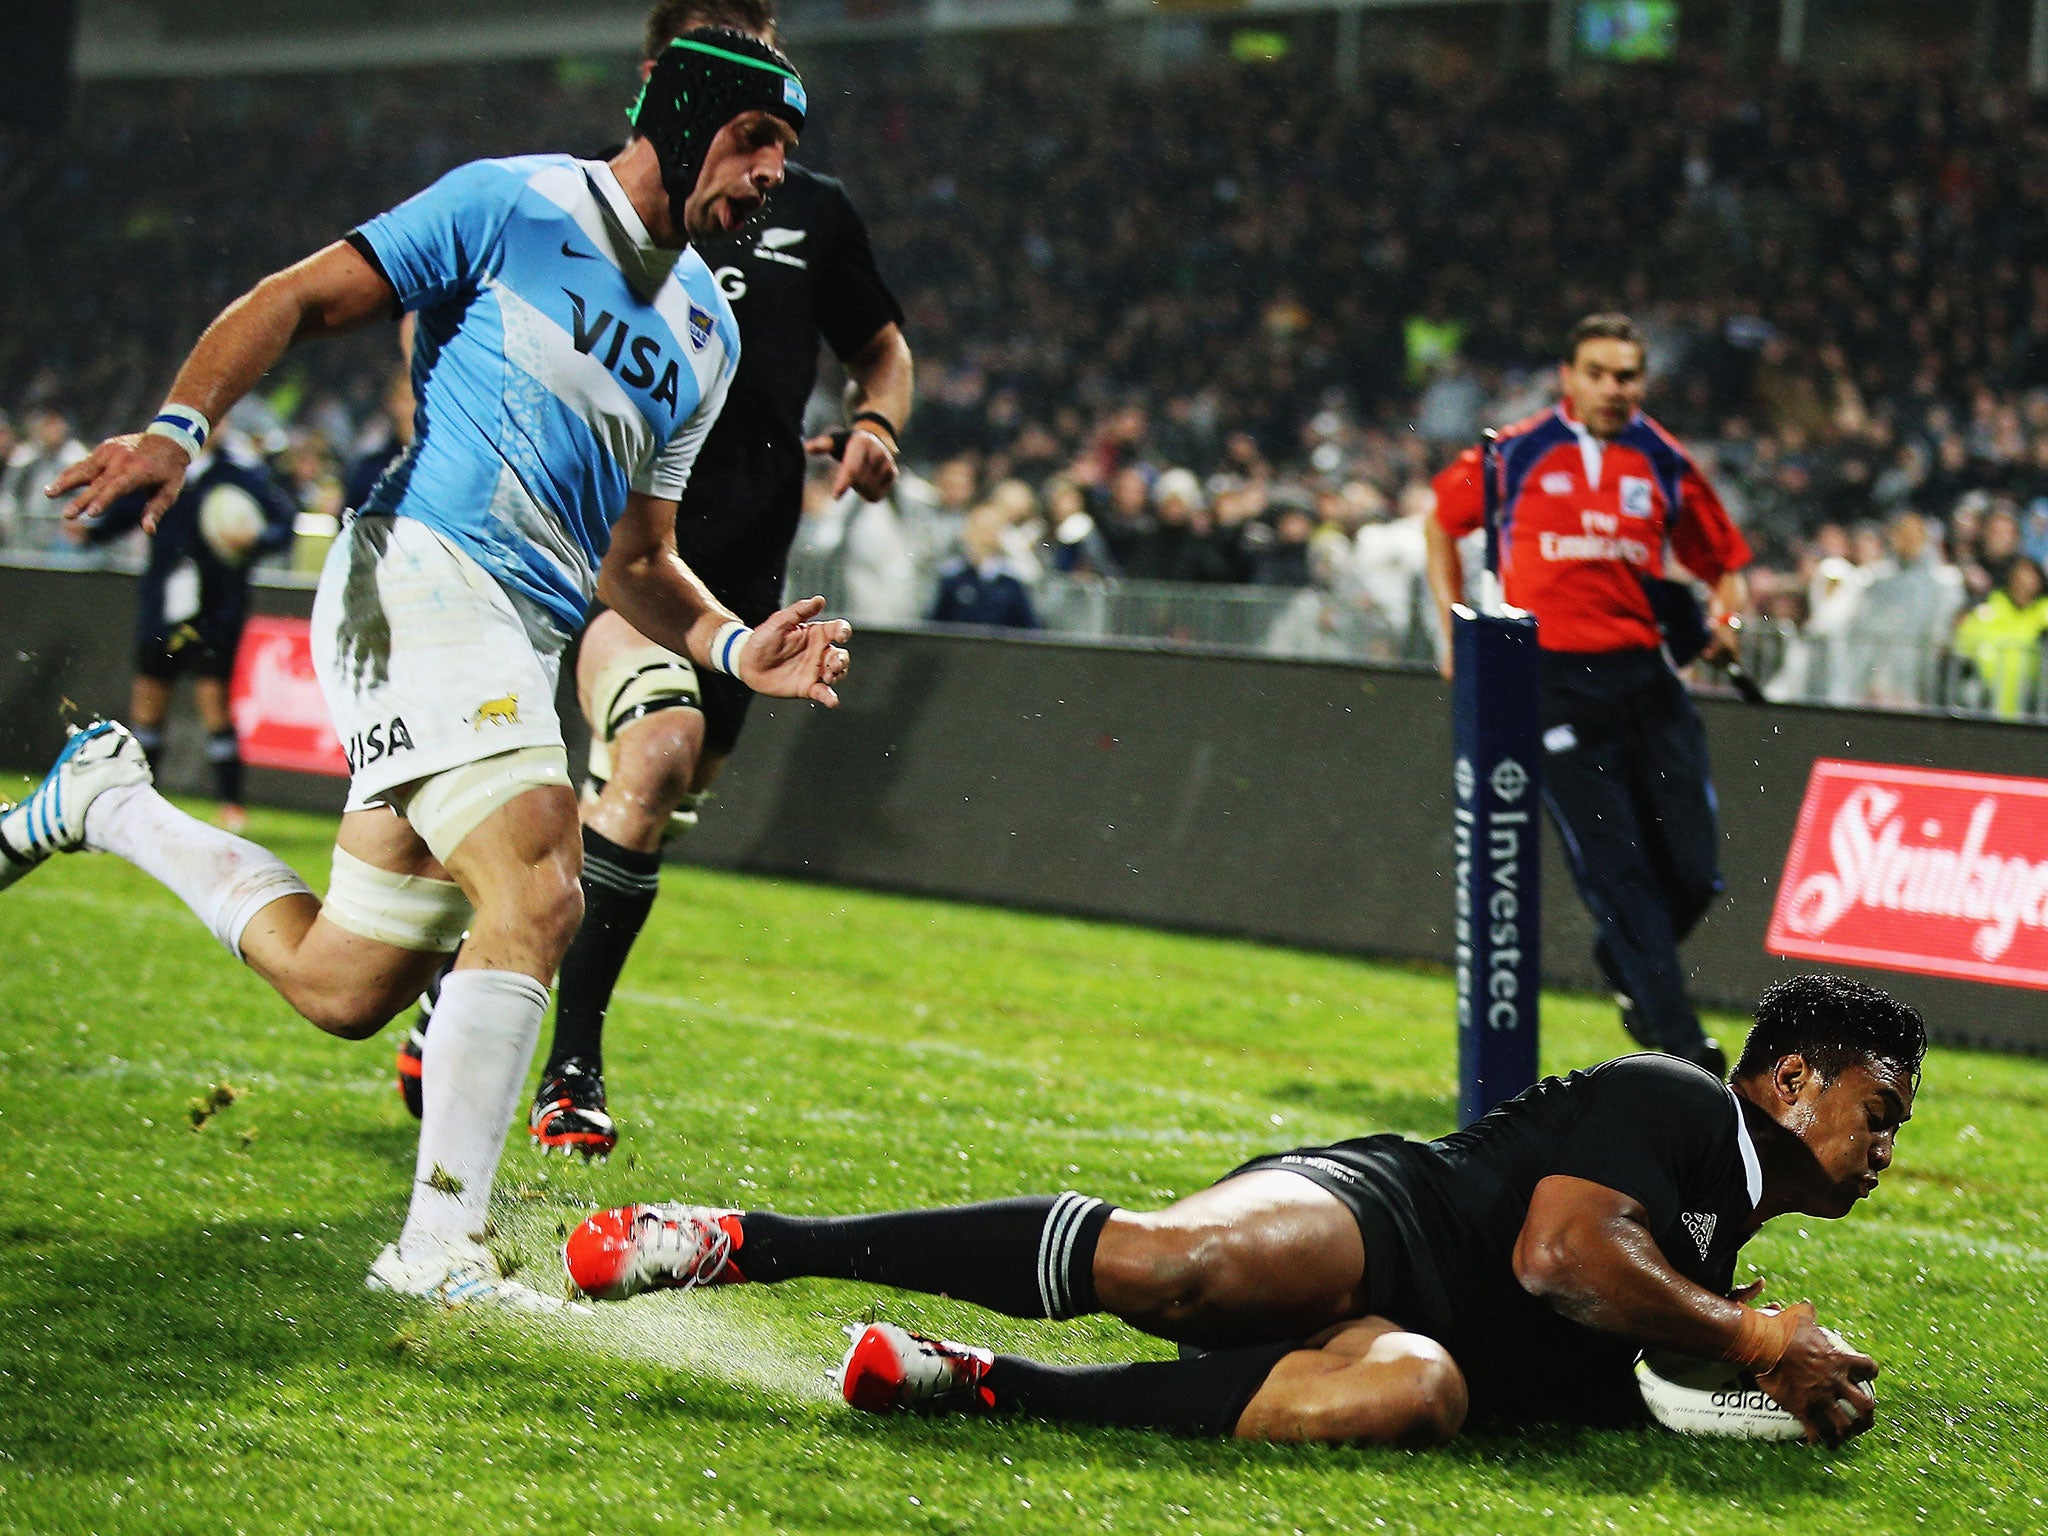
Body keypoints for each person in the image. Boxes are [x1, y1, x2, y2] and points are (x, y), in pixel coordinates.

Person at [3, 30, 848, 1310]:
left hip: (519, 629)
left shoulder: (707, 337)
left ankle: (104, 801)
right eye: (753, 140)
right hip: (415, 574)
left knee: (346, 982)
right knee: (541, 874)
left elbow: (638, 559)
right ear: (677, 126)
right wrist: (181, 432)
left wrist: (735, 644)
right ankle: (438, 1246)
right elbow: (292, 297)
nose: (774, 172)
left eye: (789, 150)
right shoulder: (510, 201)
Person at [563, 974, 1921, 1448]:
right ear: (1790, 1079)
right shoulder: (1681, 1101)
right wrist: (1752, 1346)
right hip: (1394, 1215)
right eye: (1878, 1112)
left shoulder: (1726, 1242)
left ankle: (983, 1389)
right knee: (1176, 1267)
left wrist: (1773, 1380)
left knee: (1408, 1402)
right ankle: (744, 1240)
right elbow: (1561, 1255)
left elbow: (1650, 1356)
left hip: (1424, 1338)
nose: (1883, 1151)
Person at [399, 0, 912, 1160]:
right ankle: (569, 1071)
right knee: (654, 749)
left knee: (643, 806)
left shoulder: (810, 213)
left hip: (738, 577)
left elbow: (880, 341)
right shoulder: (592, 210)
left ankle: (475, 969)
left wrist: (876, 419)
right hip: (617, 563)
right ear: (661, 74)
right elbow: (439, 297)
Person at [1425, 314, 1752, 1074]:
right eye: (1598, 373)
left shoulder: (1665, 460)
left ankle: (1629, 967)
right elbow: (1442, 522)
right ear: (1567, 376)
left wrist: (1727, 620)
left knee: (1696, 872)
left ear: (1643, 381)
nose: (1613, 388)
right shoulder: (1514, 453)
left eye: (1627, 375)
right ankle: (1683, 1047)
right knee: (1617, 871)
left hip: (1645, 677)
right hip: (1551, 682)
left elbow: (1725, 562)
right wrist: (1453, 635)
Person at [73, 429, 299, 830]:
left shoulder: (239, 475)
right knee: (148, 704)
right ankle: (142, 802)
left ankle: (232, 804)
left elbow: (284, 522)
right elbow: (128, 513)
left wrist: (259, 537)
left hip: (215, 609)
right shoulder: (161, 468)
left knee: (213, 700)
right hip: (164, 605)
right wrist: (91, 531)